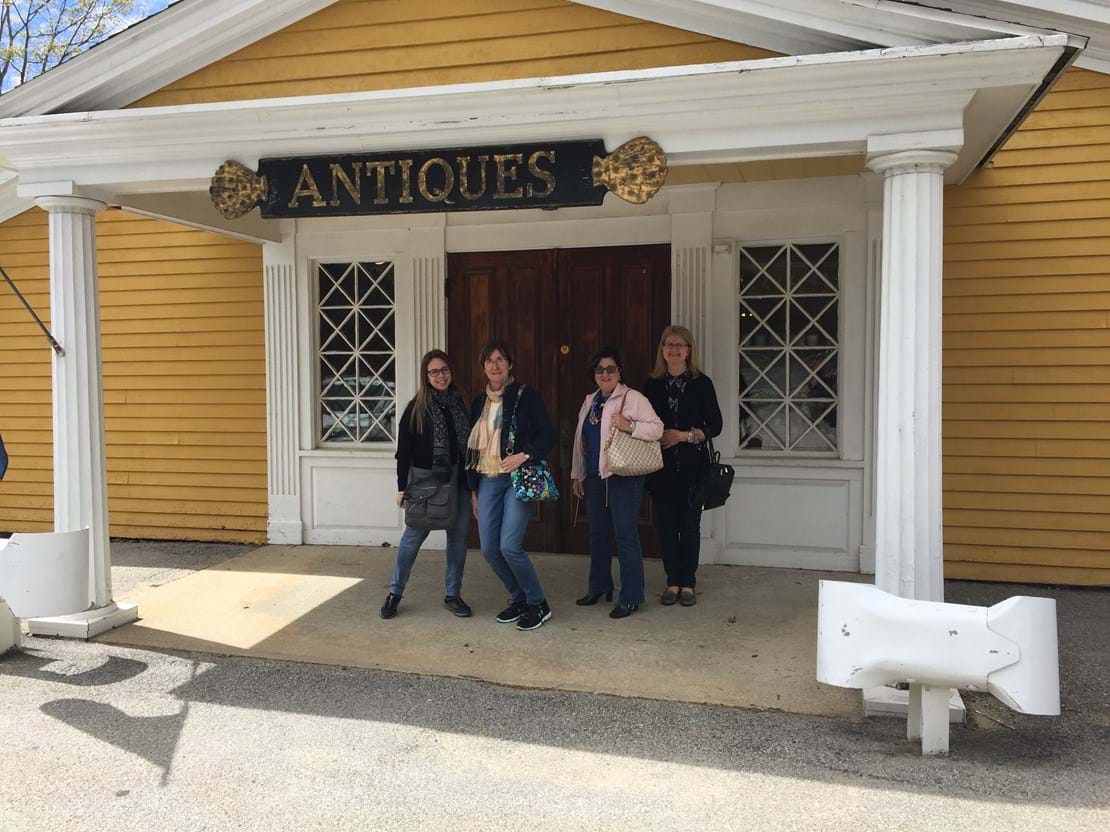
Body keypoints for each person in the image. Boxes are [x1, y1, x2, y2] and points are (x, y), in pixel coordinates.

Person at [466, 340, 556, 631]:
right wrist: (474, 491)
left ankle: (538, 603)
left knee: (509, 546)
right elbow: (471, 450)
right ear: (483, 368)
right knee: (489, 549)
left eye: (501, 360)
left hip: (517, 477)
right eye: (490, 361)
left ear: (510, 365)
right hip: (487, 479)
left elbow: (548, 435)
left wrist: (524, 454)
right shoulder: (478, 403)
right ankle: (519, 598)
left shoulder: (526, 396)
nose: (495, 365)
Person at [570, 347, 663, 619]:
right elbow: (581, 441)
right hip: (596, 476)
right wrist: (577, 474)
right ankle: (599, 586)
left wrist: (629, 425)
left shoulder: (633, 398)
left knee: (625, 534)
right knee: (597, 533)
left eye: (611, 368)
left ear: (620, 371)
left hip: (624, 476)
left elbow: (657, 428)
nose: (605, 374)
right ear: (593, 374)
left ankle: (631, 596)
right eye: (600, 369)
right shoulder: (590, 401)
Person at [383, 350, 472, 620]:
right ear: (426, 376)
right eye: (434, 372)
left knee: (457, 539)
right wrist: (402, 488)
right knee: (413, 537)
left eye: (444, 370)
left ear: (451, 372)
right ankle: (395, 593)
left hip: (460, 481)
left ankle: (453, 595)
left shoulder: (462, 404)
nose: (440, 376)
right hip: (426, 485)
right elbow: (403, 453)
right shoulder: (416, 410)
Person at [643, 325, 723, 607]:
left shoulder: (702, 384)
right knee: (666, 528)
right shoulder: (652, 385)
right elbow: (642, 423)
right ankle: (672, 582)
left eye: (680, 344)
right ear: (662, 350)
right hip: (660, 469)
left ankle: (688, 583)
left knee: (689, 527)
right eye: (669, 344)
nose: (674, 349)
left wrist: (683, 436)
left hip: (693, 469)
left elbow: (715, 426)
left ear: (689, 350)